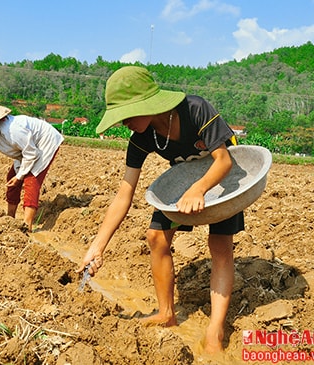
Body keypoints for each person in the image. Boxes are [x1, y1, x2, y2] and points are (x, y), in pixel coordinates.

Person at [78, 66, 241, 354]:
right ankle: (166, 313)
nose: (124, 123)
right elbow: (124, 193)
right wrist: (97, 246)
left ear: (149, 106)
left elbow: (224, 160)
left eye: (127, 115)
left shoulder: (195, 109)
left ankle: (215, 329)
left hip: (224, 179)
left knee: (220, 245)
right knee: (156, 237)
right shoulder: (141, 135)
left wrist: (199, 189)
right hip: (184, 180)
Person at [0, 100, 64, 233]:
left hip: (43, 143)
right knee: (11, 178)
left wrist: (20, 176)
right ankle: (10, 218)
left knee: (31, 180)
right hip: (25, 151)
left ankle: (27, 226)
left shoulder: (12, 129)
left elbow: (31, 153)